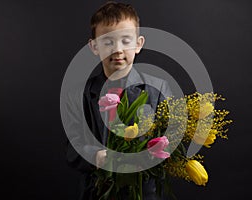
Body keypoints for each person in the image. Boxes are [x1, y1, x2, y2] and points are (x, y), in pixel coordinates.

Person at [65, 2, 172, 199]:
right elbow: (73, 147)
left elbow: (170, 139)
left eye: (125, 40)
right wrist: (96, 156)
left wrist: (150, 155)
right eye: (108, 42)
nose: (117, 50)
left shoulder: (159, 89)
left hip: (145, 192)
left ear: (139, 44)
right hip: (96, 193)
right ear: (94, 47)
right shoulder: (77, 94)